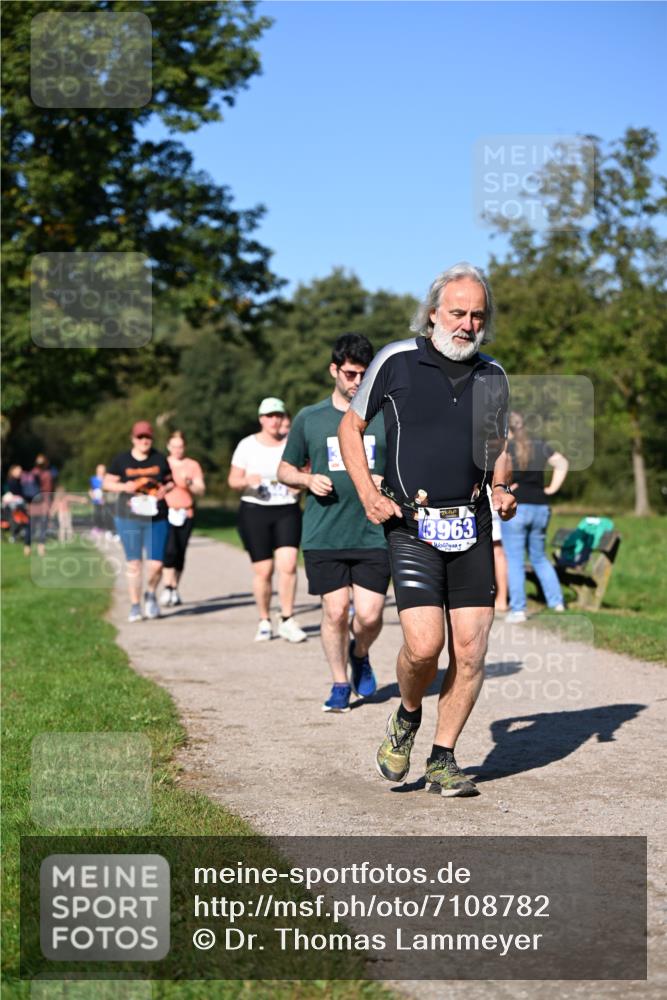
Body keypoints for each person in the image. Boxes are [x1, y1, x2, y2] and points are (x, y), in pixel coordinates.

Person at [339, 262, 516, 796]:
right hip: (411, 523)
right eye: (457, 312)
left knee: (471, 649)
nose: (467, 324)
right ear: (434, 313)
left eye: (477, 316)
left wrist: (504, 488)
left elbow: (497, 448)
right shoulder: (396, 361)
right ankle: (408, 715)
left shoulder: (493, 375)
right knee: (423, 647)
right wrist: (369, 494)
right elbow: (352, 426)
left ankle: (443, 757)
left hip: (472, 523)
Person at [278, 333, 390, 713]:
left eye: (364, 374)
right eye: (350, 373)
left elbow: (407, 468)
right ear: (334, 370)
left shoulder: (385, 416)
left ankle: (360, 653)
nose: (357, 382)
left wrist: (385, 482)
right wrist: (307, 480)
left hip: (373, 530)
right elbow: (284, 469)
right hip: (325, 532)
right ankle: (340, 682)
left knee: (371, 614)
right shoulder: (311, 418)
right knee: (335, 610)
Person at [228, 398, 307, 643]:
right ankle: (264, 620)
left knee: (289, 564)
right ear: (261, 419)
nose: (274, 420)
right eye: (269, 416)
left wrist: (299, 486)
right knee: (264, 570)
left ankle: (287, 618)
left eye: (278, 415)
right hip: (255, 510)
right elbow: (233, 480)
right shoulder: (247, 445)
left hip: (286, 510)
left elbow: (305, 472)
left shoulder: (291, 444)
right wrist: (245, 481)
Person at [501, 411, 569, 622]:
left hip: (517, 507)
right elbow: (562, 463)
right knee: (539, 557)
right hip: (541, 506)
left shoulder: (507, 448)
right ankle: (557, 603)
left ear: (508, 428)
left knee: (514, 559)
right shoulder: (540, 444)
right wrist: (551, 488)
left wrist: (505, 487)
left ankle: (519, 610)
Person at [104, 421, 173, 622]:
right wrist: (125, 487)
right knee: (134, 564)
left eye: (148, 437)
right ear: (133, 439)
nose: (144, 441)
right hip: (129, 518)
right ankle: (135, 605)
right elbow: (108, 483)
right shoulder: (121, 460)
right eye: (140, 437)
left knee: (157, 565)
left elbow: (170, 481)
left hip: (156, 517)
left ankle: (150, 593)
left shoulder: (160, 459)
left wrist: (165, 489)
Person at [160, 431, 206, 607]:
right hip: (167, 512)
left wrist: (189, 484)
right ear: (168, 447)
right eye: (174, 446)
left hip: (186, 512)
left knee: (180, 551)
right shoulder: (163, 464)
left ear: (184, 447)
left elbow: (201, 489)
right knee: (169, 550)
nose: (177, 450)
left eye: (180, 446)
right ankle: (167, 587)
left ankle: (174, 587)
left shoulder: (192, 465)